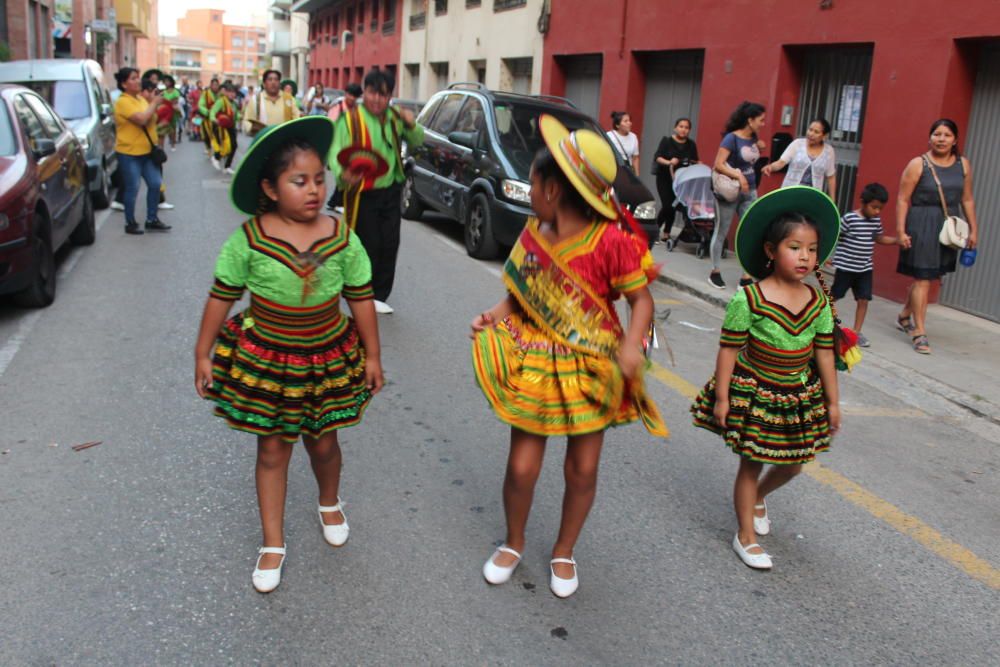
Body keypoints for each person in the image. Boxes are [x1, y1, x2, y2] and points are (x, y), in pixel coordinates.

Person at [471, 115, 667, 599]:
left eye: (533, 183)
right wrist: (496, 313)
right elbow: (521, 291)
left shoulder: (613, 244)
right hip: (536, 359)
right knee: (521, 466)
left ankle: (564, 549)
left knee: (582, 469)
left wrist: (631, 348)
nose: (530, 191)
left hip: (591, 365)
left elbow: (641, 301)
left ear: (554, 190)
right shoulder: (534, 234)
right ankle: (514, 542)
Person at [194, 117, 384, 594]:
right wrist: (203, 351)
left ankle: (329, 500)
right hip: (269, 360)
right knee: (273, 448)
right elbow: (222, 295)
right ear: (270, 188)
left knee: (324, 442)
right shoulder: (249, 239)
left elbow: (361, 297)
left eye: (320, 178)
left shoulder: (341, 237)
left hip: (326, 355)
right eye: (299, 181)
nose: (314, 189)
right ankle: (273, 542)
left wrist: (373, 356)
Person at [691, 186, 842, 571]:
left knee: (793, 464)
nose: (805, 256)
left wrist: (833, 400)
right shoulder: (750, 298)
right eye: (795, 247)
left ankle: (757, 496)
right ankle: (745, 536)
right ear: (771, 251)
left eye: (811, 248)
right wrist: (722, 397)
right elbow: (728, 349)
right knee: (751, 460)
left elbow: (824, 351)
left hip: (797, 394)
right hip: (755, 390)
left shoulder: (819, 301)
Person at [329, 69, 424, 315]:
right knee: (367, 243)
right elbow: (336, 150)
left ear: (389, 96)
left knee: (390, 243)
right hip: (363, 191)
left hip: (391, 189)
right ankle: (362, 291)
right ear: (365, 92)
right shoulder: (349, 119)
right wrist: (343, 173)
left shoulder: (394, 116)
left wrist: (412, 124)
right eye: (372, 93)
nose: (376, 100)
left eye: (383, 95)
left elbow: (417, 141)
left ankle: (380, 295)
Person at [895, 119, 979, 355]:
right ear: (929, 137)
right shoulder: (917, 164)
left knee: (930, 276)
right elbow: (902, 199)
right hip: (921, 224)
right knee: (922, 277)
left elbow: (967, 199)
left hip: (948, 226)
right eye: (937, 134)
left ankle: (904, 315)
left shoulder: (963, 165)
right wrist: (901, 230)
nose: (941, 139)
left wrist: (974, 229)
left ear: (955, 140)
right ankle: (919, 332)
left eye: (947, 135)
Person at [830, 183, 898, 348]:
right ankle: (821, 322)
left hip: (864, 269)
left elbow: (879, 238)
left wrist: (897, 241)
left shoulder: (876, 221)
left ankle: (856, 332)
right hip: (846, 267)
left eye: (880, 208)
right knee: (833, 297)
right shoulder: (849, 219)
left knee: (863, 300)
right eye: (874, 207)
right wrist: (829, 256)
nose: (877, 211)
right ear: (863, 202)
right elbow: (835, 235)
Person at [710, 101, 767, 290]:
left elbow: (750, 158)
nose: (763, 123)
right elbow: (719, 164)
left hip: (750, 191)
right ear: (750, 120)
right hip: (730, 192)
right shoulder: (731, 139)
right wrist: (739, 176)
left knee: (751, 231)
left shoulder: (753, 139)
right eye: (761, 120)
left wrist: (760, 147)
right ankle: (715, 272)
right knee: (722, 231)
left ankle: (746, 276)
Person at [112, 69, 171, 235]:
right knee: (133, 187)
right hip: (129, 153)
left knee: (155, 183)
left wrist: (153, 104)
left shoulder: (140, 100)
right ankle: (130, 223)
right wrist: (153, 104)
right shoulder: (123, 102)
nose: (138, 81)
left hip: (147, 153)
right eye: (133, 78)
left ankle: (151, 219)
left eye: (138, 78)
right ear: (124, 84)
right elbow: (142, 119)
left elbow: (152, 119)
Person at [762, 118, 837, 195]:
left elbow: (831, 176)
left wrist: (832, 200)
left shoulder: (829, 151)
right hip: (791, 192)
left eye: (816, 132)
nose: (811, 134)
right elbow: (781, 162)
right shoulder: (797, 144)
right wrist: (771, 167)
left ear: (824, 136)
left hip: (812, 196)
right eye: (810, 130)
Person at [652, 117, 699, 238]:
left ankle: (666, 233)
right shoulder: (666, 141)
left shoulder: (691, 144)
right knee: (667, 205)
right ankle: (655, 229)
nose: (683, 130)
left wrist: (698, 164)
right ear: (675, 128)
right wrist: (669, 162)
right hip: (665, 178)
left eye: (686, 127)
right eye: (681, 126)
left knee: (673, 206)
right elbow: (657, 157)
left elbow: (695, 160)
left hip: (681, 181)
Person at [243, 70, 300, 137]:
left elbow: (297, 119)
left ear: (279, 83)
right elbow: (247, 120)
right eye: (270, 79)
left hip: (285, 141)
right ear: (264, 84)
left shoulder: (289, 99)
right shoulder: (255, 100)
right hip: (263, 140)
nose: (273, 82)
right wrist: (253, 131)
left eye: (276, 80)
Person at [209, 82, 240, 174]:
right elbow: (212, 112)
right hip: (221, 128)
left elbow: (236, 115)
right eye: (230, 92)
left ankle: (227, 166)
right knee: (223, 146)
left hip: (231, 127)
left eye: (234, 92)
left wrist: (241, 116)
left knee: (234, 146)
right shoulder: (221, 101)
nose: (232, 94)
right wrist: (214, 119)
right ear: (225, 92)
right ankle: (215, 157)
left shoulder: (234, 103)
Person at [159, 75, 182, 152]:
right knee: (163, 129)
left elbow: (175, 101)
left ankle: (173, 144)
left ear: (171, 82)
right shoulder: (163, 92)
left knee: (173, 129)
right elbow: (161, 101)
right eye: (165, 81)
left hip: (173, 111)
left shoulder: (175, 91)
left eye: (168, 81)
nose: (166, 83)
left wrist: (168, 103)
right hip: (164, 112)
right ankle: (161, 147)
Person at [199, 78, 221, 158]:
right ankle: (208, 149)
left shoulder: (220, 94)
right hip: (207, 119)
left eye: (217, 85)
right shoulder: (205, 94)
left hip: (218, 118)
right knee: (207, 135)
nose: (215, 87)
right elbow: (200, 105)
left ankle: (218, 150)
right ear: (211, 85)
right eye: (214, 85)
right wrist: (207, 112)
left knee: (218, 134)